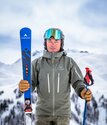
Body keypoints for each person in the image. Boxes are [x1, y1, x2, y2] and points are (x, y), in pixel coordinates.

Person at [19, 28, 92, 125]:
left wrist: (83, 92)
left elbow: (77, 82)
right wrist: (25, 87)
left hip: (63, 115)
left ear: (61, 43)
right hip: (42, 114)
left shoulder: (69, 62)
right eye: (49, 40)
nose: (52, 43)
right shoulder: (37, 63)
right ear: (45, 42)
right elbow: (30, 83)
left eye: (56, 41)